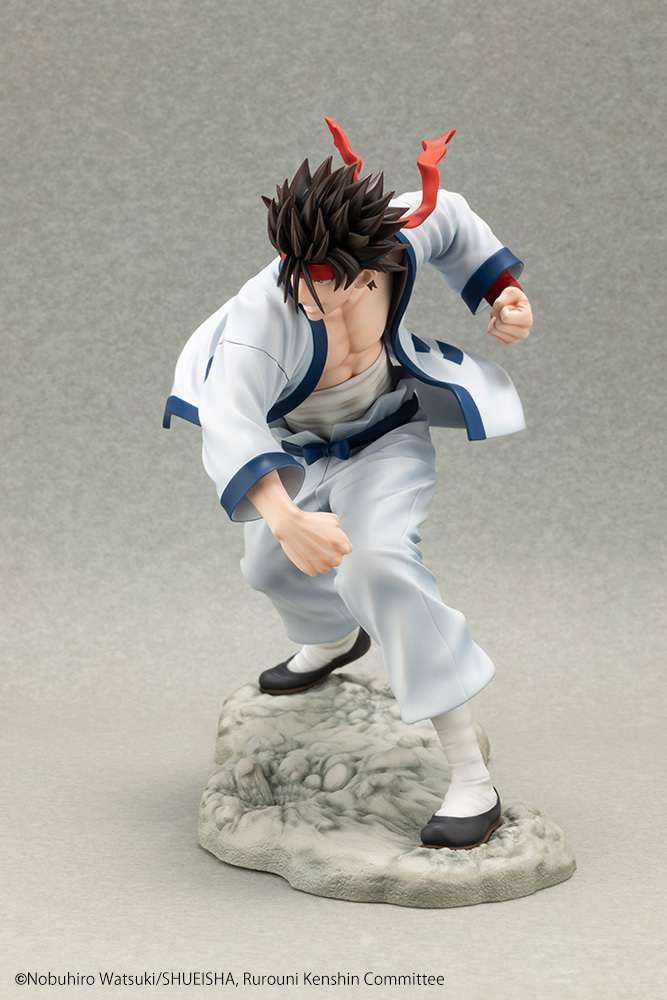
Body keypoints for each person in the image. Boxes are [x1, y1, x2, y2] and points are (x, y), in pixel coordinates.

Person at [164, 120, 533, 849]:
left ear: (369, 272)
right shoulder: (261, 314)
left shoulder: (396, 240)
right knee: (268, 565)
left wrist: (505, 295)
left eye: (327, 294)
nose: (308, 303)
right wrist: (284, 517)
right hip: (298, 449)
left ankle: (470, 778)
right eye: (299, 286)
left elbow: (455, 220)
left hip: (384, 438)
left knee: (379, 567)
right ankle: (333, 637)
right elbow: (230, 418)